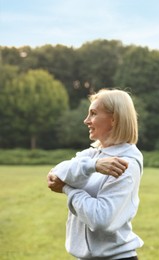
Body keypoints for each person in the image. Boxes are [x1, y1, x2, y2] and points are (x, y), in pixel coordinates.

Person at [47, 89, 143, 260]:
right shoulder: (93, 154)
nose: (86, 121)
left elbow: (101, 219)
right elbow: (55, 173)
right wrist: (94, 166)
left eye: (93, 113)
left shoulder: (125, 164)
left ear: (114, 119)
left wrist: (68, 190)